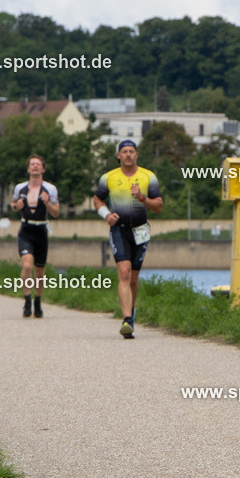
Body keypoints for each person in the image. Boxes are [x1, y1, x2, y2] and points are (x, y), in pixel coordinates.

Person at [93, 139, 163, 339]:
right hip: (119, 230)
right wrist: (106, 214)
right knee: (123, 273)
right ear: (118, 156)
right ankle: (126, 320)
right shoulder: (108, 178)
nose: (128, 155)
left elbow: (158, 206)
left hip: (140, 231)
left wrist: (142, 198)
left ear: (137, 155)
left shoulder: (148, 176)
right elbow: (97, 198)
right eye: (124, 152)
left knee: (133, 277)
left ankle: (131, 313)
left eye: (131, 151)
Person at [11, 154, 59, 318]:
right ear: (28, 168)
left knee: (39, 272)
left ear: (43, 168)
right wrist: (16, 206)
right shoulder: (20, 188)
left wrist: (47, 203)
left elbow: (56, 212)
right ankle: (26, 300)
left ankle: (37, 300)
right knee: (26, 266)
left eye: (38, 164)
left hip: (41, 232)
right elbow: (13, 204)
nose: (35, 166)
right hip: (26, 230)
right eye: (32, 164)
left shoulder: (50, 189)